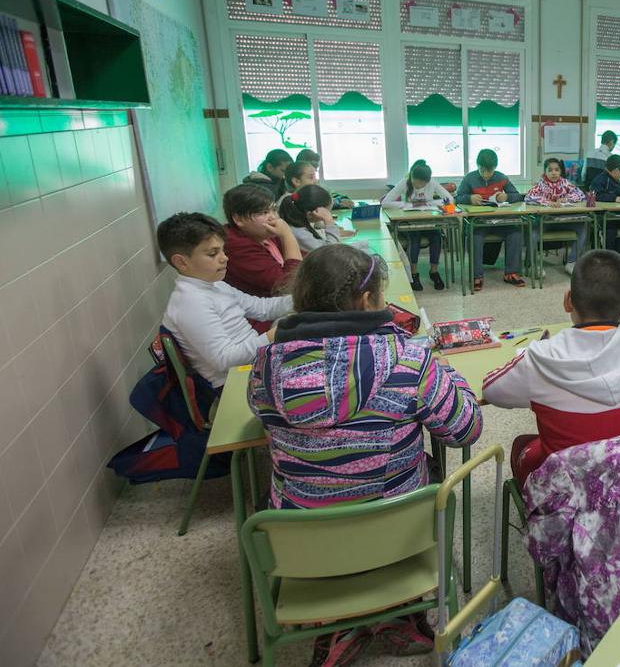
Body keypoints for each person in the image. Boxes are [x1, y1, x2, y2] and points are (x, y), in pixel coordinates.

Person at [248, 244, 482, 661]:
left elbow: (261, 415)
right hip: (398, 534)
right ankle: (398, 616)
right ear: (367, 300)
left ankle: (338, 628)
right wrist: (444, 370)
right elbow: (465, 429)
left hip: (301, 543)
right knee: (420, 472)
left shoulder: (266, 365)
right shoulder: (409, 360)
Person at [482, 249, 620, 486]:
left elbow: (491, 390)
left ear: (568, 301)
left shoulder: (540, 358)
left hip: (572, 499)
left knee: (522, 445)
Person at [158, 212, 291, 389]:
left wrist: (304, 298)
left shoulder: (216, 285)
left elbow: (263, 308)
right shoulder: (190, 302)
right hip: (237, 383)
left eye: (222, 250)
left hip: (255, 365)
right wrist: (274, 334)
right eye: (213, 254)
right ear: (181, 262)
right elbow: (224, 360)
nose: (224, 258)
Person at [221, 185, 302, 326]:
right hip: (260, 321)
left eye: (274, 210)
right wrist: (287, 234)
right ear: (238, 219)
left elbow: (303, 260)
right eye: (264, 212)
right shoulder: (236, 245)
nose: (274, 218)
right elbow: (287, 284)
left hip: (279, 307)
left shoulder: (263, 234)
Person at [455, 148, 526, 291]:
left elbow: (517, 196)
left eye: (490, 170)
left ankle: (511, 273)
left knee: (516, 233)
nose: (487, 174)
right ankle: (477, 276)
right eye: (483, 170)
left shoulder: (501, 177)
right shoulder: (469, 178)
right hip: (479, 223)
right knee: (475, 237)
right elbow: (456, 198)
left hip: (500, 220)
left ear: (495, 167)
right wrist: (469, 198)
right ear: (478, 165)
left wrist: (507, 197)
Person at [382, 159, 453, 291]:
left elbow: (449, 199)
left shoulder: (432, 183)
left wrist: (431, 203)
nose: (419, 185)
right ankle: (414, 274)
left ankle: (434, 272)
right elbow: (385, 202)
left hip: (427, 221)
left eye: (422, 183)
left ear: (427, 181)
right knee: (415, 239)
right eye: (416, 181)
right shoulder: (405, 182)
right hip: (410, 222)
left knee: (436, 236)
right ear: (412, 177)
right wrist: (408, 205)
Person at [526, 157, 588, 276]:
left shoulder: (565, 183)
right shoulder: (541, 184)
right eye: (550, 170)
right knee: (533, 233)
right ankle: (533, 265)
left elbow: (581, 195)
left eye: (556, 170)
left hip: (563, 220)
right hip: (545, 221)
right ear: (545, 172)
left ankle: (572, 262)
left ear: (560, 171)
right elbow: (528, 197)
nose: (554, 173)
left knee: (582, 228)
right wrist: (548, 202)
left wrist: (567, 198)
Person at [278, 184, 344, 253]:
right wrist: (329, 222)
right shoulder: (299, 233)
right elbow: (331, 252)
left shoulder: (295, 218)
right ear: (309, 214)